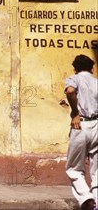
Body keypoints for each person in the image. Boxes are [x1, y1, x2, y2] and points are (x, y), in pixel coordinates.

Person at [64, 54, 98, 210]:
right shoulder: (96, 82)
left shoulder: (73, 79)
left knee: (74, 168)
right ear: (92, 68)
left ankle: (86, 197)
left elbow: (70, 91)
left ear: (75, 69)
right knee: (96, 167)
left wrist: (75, 113)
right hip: (96, 124)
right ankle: (97, 200)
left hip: (81, 125)